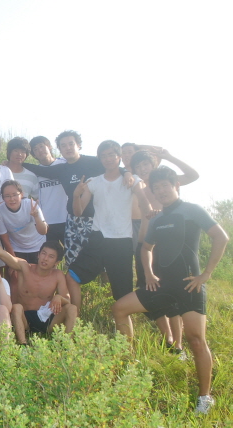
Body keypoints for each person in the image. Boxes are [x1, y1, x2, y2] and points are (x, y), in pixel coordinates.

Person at [112, 166, 229, 415]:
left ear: (176, 186)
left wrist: (206, 274)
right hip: (163, 286)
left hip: (189, 286)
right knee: (120, 308)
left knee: (196, 340)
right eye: (156, 188)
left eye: (165, 185)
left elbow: (221, 237)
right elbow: (146, 248)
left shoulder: (192, 210)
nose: (161, 191)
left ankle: (205, 397)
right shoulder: (157, 219)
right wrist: (149, 273)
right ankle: (129, 368)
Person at [23, 130, 132, 267]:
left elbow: (112, 166)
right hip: (73, 221)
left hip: (95, 219)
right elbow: (40, 170)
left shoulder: (93, 162)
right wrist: (15, 162)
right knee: (73, 262)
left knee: (101, 260)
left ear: (78, 145)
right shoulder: (61, 169)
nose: (68, 148)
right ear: (59, 149)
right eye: (63, 145)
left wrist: (126, 172)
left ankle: (104, 280)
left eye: (71, 144)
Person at [66, 140, 150, 309]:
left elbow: (144, 202)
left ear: (119, 156)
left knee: (122, 293)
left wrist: (147, 228)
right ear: (100, 159)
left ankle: (124, 323)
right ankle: (75, 317)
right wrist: (76, 196)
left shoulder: (132, 180)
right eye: (103, 156)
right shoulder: (94, 182)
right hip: (98, 239)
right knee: (71, 276)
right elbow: (78, 212)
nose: (108, 159)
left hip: (121, 241)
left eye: (111, 154)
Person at [130, 148, 199, 353]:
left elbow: (193, 175)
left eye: (146, 164)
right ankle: (167, 337)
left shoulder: (166, 183)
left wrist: (168, 156)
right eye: (138, 166)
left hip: (167, 247)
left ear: (154, 164)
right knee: (150, 289)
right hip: (145, 247)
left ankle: (178, 344)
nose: (143, 169)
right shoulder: (138, 188)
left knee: (171, 292)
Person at [0, 218, 76, 343]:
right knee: (17, 307)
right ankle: (23, 343)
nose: (45, 258)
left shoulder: (58, 275)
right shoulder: (24, 267)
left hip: (48, 319)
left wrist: (59, 298)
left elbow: (67, 300)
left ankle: (67, 345)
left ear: (57, 262)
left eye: (51, 256)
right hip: (24, 318)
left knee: (72, 308)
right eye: (43, 254)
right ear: (38, 255)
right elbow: (1, 254)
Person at [0, 180, 47, 264]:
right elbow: (5, 239)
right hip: (17, 248)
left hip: (38, 246)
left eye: (15, 195)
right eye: (7, 196)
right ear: (2, 198)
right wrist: (14, 262)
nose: (12, 199)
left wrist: (36, 217)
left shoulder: (31, 205)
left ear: (21, 194)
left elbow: (43, 231)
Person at [29, 136, 68, 244]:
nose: (40, 150)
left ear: (49, 147)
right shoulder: (34, 172)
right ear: (34, 154)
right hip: (47, 221)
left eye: (41, 146)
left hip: (68, 219)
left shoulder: (65, 163)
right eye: (35, 149)